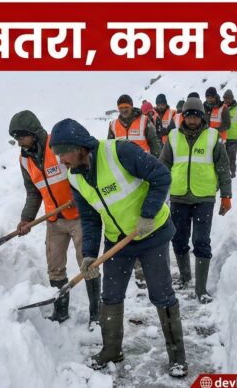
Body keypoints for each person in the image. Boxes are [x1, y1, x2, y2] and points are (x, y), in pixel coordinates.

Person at [50, 118, 187, 378]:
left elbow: (161, 176)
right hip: (118, 241)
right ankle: (111, 350)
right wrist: (90, 254)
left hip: (152, 233)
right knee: (110, 296)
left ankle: (177, 355)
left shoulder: (119, 152)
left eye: (63, 153)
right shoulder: (75, 178)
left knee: (161, 294)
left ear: (79, 147)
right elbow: (90, 219)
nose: (60, 160)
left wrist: (148, 214)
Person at [10, 110, 100, 326]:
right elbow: (33, 191)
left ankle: (96, 314)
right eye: (15, 138)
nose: (19, 142)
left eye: (21, 136)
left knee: (87, 264)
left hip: (78, 214)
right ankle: (61, 311)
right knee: (55, 266)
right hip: (54, 220)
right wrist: (26, 218)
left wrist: (83, 199)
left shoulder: (57, 145)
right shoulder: (24, 160)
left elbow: (81, 169)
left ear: (33, 131)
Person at [160, 97, 232, 304]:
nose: (192, 119)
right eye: (188, 115)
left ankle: (200, 289)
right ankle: (185, 278)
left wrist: (226, 195)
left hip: (204, 198)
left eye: (196, 116)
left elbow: (223, 168)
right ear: (184, 117)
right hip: (179, 197)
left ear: (201, 117)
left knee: (201, 241)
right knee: (179, 240)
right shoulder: (173, 137)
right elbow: (163, 164)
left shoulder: (213, 137)